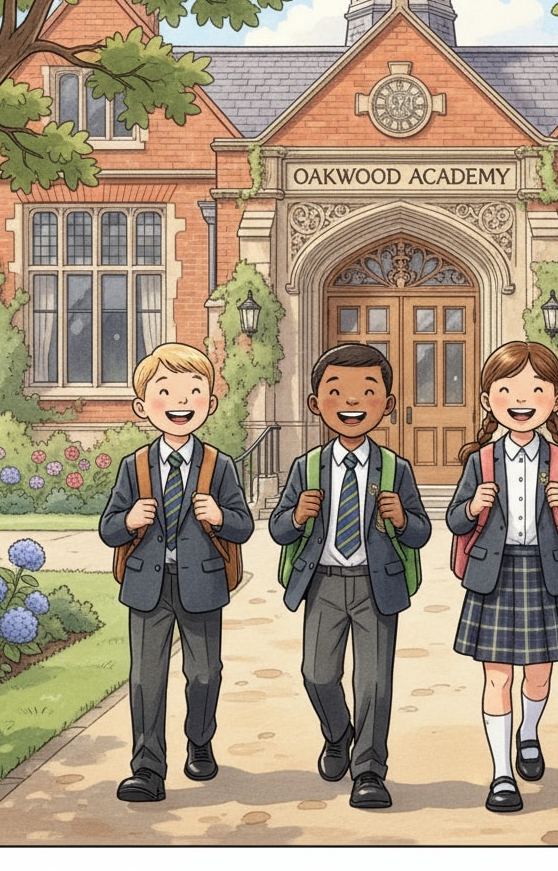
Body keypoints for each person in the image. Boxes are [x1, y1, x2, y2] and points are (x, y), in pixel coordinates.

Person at [269, 343, 431, 809]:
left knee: (374, 683)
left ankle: (370, 771)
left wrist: (402, 518)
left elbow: (420, 532)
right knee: (317, 674)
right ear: (316, 404)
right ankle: (338, 733)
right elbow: (279, 528)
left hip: (375, 584)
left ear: (388, 404)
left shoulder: (395, 469)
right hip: (323, 582)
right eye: (336, 392)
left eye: (367, 391)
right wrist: (297, 515)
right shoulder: (307, 467)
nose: (352, 403)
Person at [99, 342, 254, 802]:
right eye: (165, 391)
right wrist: (128, 522)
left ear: (210, 401)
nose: (180, 401)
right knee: (147, 679)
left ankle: (200, 739)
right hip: (147, 585)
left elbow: (244, 525)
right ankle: (147, 767)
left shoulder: (218, 465)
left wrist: (220, 516)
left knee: (205, 673)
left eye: (193, 390)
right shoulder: (136, 466)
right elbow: (109, 528)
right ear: (143, 406)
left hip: (202, 583)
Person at [446, 341, 558, 813]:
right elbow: (455, 520)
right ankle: (501, 772)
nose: (522, 399)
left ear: (555, 400)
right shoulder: (480, 461)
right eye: (507, 388)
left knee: (539, 677)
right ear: (489, 399)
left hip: (544, 573)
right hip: (496, 573)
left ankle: (528, 731)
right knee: (497, 677)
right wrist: (473, 506)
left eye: (536, 388)